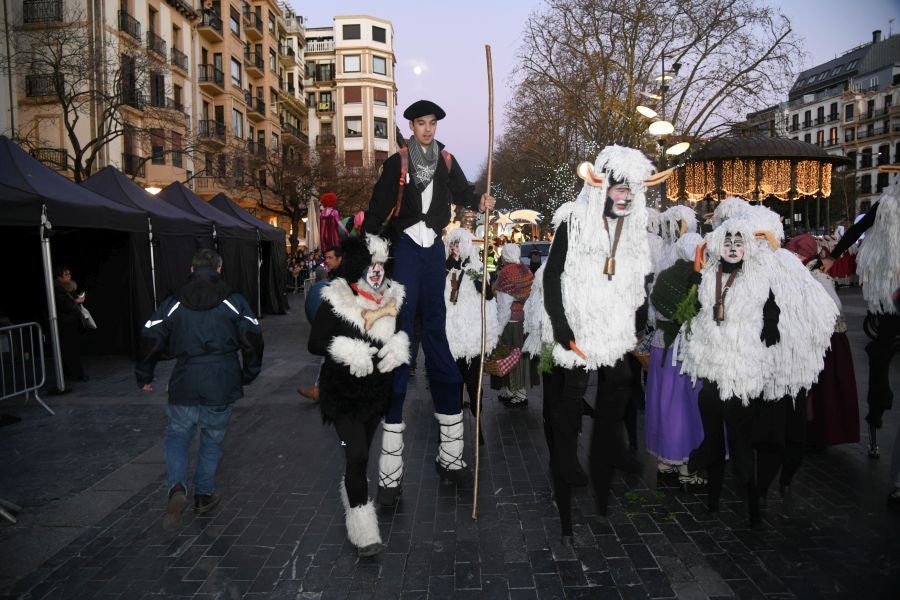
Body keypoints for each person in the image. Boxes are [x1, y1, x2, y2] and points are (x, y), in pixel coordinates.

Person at [364, 99, 495, 506]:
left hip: (433, 251)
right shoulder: (396, 164)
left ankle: (451, 456)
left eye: (432, 123)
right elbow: (374, 215)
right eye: (421, 123)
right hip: (404, 250)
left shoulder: (447, 160)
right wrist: (372, 257)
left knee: (437, 338)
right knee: (402, 341)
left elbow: (464, 193)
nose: (427, 129)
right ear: (411, 126)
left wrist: (480, 202)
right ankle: (389, 472)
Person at [537, 146, 660, 541]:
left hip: (611, 324)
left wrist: (636, 322)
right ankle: (567, 457)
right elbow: (552, 275)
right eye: (618, 188)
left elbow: (639, 277)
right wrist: (560, 325)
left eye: (630, 190)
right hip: (574, 318)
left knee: (622, 379)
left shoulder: (633, 228)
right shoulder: (572, 222)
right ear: (601, 186)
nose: (624, 197)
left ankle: (610, 447)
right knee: (571, 391)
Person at [680, 214, 837, 525]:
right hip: (712, 368)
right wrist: (693, 287)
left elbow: (772, 301)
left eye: (740, 242)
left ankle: (752, 506)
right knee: (713, 433)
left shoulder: (756, 276)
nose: (734, 247)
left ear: (748, 246)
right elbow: (694, 308)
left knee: (739, 441)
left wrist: (771, 322)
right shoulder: (709, 274)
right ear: (718, 245)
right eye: (728, 242)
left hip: (742, 373)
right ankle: (713, 498)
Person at [136, 249, 264, 532]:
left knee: (178, 435)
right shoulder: (233, 300)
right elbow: (253, 337)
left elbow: (151, 334)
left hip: (185, 378)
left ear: (191, 269)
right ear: (219, 269)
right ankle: (203, 494)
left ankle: (177, 486)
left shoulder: (175, 302)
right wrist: (248, 373)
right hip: (222, 379)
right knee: (213, 439)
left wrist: (145, 374)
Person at [308, 235, 408, 556]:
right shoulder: (337, 298)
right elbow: (316, 341)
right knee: (358, 455)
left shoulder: (392, 297)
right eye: (370, 264)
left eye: (380, 264)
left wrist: (398, 347)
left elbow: (403, 331)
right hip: (341, 393)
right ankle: (363, 529)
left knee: (359, 453)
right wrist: (347, 350)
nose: (376, 271)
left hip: (376, 393)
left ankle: (352, 488)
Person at [821, 175, 899, 459]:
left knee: (881, 351)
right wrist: (835, 255)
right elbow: (858, 228)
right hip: (891, 292)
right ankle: (876, 416)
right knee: (880, 354)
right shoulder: (887, 205)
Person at [785, 234, 859, 449]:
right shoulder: (804, 273)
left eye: (794, 254)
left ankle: (820, 434)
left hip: (827, 342)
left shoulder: (817, 275)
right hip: (814, 340)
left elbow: (835, 306)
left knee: (823, 390)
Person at [644, 233, 706, 488]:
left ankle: (665, 461)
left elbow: (651, 315)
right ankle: (686, 467)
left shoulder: (664, 276)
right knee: (686, 408)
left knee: (663, 404)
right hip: (686, 351)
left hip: (661, 348)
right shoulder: (699, 279)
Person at [444, 229, 499, 445]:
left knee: (475, 383)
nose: (455, 247)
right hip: (453, 337)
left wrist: (475, 276)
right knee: (454, 383)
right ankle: (454, 429)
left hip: (473, 338)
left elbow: (487, 294)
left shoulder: (478, 267)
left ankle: (478, 426)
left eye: (458, 244)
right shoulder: (447, 268)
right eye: (452, 244)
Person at [491, 243, 534, 407]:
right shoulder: (526, 270)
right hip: (524, 320)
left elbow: (504, 307)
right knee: (519, 356)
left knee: (509, 356)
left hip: (510, 322)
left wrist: (498, 330)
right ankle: (511, 390)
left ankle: (519, 394)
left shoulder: (506, 274)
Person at [299, 246, 343, 401]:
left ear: (340, 259)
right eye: (326, 258)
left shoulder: (346, 278)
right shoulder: (334, 277)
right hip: (336, 325)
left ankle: (322, 389)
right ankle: (320, 388)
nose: (327, 261)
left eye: (331, 258)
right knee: (329, 354)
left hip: (346, 325)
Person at [52, 265, 88, 382]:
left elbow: (72, 300)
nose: (69, 276)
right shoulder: (57, 288)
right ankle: (73, 374)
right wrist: (76, 301)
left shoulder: (70, 286)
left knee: (74, 349)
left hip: (73, 321)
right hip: (66, 323)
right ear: (59, 277)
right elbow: (64, 305)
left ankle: (76, 373)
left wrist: (78, 299)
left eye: (69, 274)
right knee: (69, 349)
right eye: (66, 274)